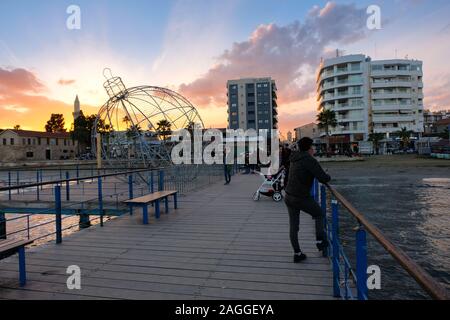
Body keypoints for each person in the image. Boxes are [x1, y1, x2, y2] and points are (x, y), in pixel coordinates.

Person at [284, 137, 331, 263]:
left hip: (289, 195)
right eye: (313, 147)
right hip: (301, 197)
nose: (314, 149)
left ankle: (297, 253)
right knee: (319, 214)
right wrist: (327, 175)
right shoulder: (309, 160)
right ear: (310, 148)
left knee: (294, 227)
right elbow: (323, 178)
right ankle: (320, 241)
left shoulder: (294, 157)